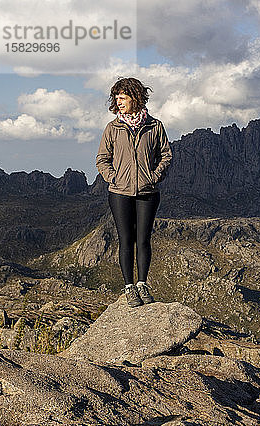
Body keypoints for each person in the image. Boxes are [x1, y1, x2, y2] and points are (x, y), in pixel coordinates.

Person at [96, 77, 172, 307]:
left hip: (148, 192)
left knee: (144, 239)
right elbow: (102, 159)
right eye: (116, 98)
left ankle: (142, 284)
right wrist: (114, 178)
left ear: (135, 98)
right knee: (126, 239)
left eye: (123, 97)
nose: (119, 102)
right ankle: (129, 287)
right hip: (119, 193)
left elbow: (166, 155)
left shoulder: (154, 126)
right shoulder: (113, 128)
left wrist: (154, 176)